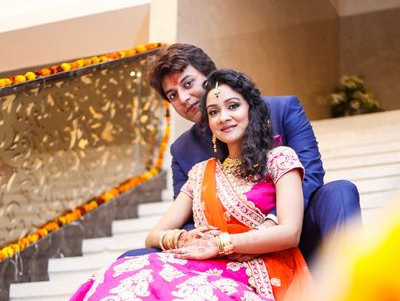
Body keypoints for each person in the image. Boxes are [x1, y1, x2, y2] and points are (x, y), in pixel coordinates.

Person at [0, 69, 311, 301]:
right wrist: (181, 241)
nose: (224, 117)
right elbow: (156, 233)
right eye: (214, 112)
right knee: (121, 273)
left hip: (260, 269)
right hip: (206, 261)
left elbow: (290, 232)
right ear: (208, 123)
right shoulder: (201, 173)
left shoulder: (280, 160)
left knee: (199, 299)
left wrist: (222, 244)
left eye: (232, 106)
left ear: (251, 109)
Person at [122, 43, 361, 263]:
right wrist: (200, 241)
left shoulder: (282, 110)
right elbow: (188, 217)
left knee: (339, 191)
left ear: (210, 77)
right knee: (130, 259)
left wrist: (271, 222)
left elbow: (310, 174)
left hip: (290, 228)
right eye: (172, 95)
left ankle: (354, 290)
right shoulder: (183, 150)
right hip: (223, 252)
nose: (183, 98)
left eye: (187, 83)